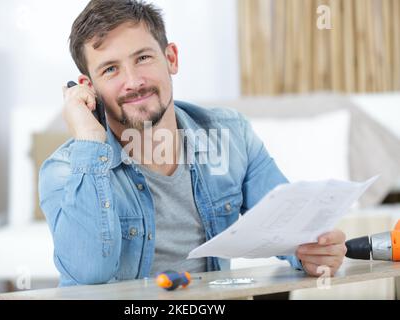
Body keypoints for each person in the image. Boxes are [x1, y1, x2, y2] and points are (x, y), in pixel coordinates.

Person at [39, 0, 347, 287]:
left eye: (143, 58)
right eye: (110, 69)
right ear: (88, 88)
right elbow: (89, 273)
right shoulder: (63, 171)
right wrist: (91, 141)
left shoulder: (231, 135)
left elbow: (294, 233)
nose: (133, 81)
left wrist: (314, 251)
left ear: (171, 58)